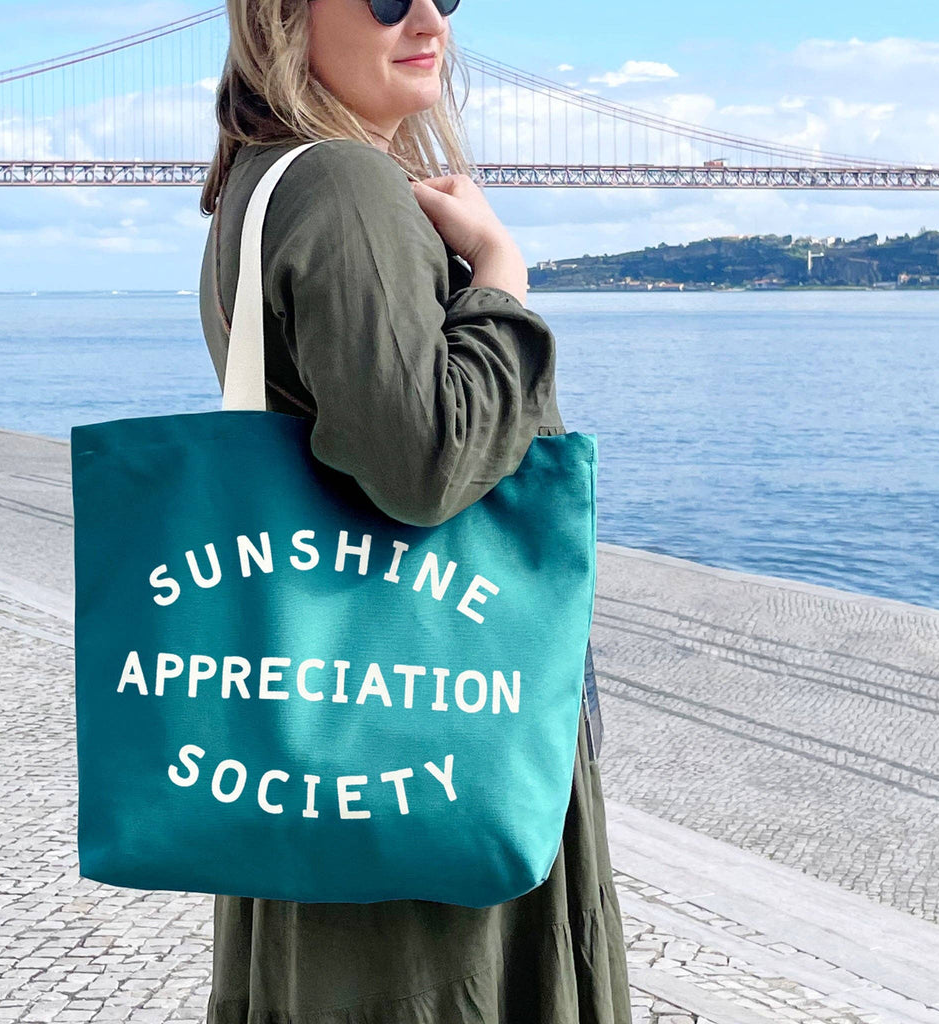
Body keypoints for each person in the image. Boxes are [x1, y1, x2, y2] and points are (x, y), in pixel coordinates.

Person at [196, 0, 633, 1020]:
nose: (428, 15)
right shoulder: (344, 182)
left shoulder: (258, 188)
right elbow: (424, 463)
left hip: (329, 733)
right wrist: (502, 280)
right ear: (281, 15)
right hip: (426, 743)